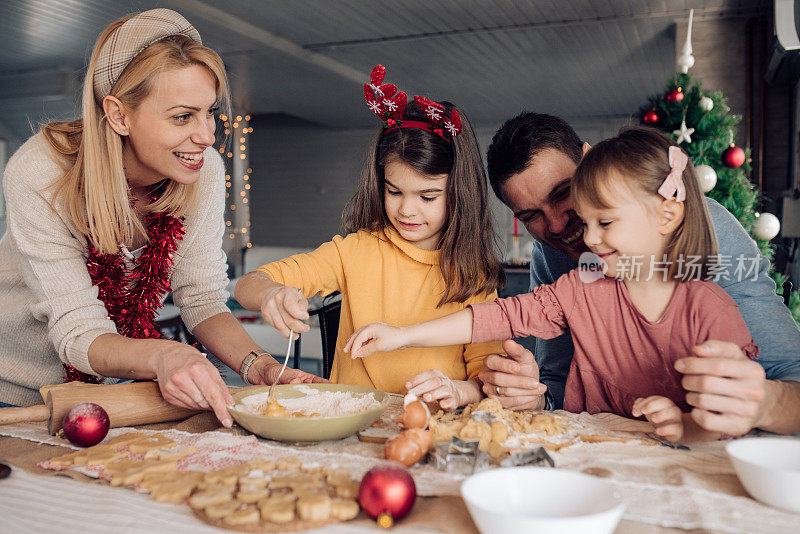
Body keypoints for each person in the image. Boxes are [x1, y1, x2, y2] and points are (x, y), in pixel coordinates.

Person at [0, 9, 322, 421]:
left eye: (209, 113)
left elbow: (203, 297)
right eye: (183, 116)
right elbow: (78, 331)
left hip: (113, 395)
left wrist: (258, 366)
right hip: (16, 394)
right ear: (119, 115)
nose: (206, 137)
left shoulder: (204, 172)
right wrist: (166, 355)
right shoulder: (41, 174)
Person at [346, 127, 762, 442]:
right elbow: (499, 317)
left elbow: (733, 412)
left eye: (606, 222)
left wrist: (685, 426)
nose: (588, 238)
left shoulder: (712, 310)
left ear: (667, 216)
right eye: (532, 216)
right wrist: (402, 336)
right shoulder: (581, 286)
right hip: (581, 449)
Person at [480, 112, 800, 437]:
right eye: (532, 215)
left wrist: (765, 403)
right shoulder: (549, 258)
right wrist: (534, 399)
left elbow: (791, 373)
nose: (558, 225)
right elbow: (560, 386)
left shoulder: (709, 230)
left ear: (590, 160)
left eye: (563, 192)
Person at [235, 65, 504, 409]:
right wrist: (271, 294)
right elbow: (248, 285)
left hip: (433, 430)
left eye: (427, 197)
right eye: (394, 191)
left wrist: (460, 390)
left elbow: (488, 379)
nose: (407, 210)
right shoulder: (356, 250)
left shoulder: (473, 276)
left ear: (459, 193)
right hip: (350, 424)